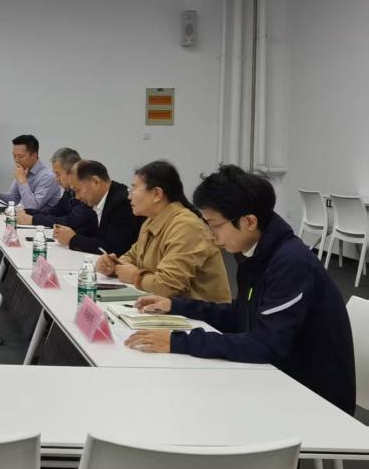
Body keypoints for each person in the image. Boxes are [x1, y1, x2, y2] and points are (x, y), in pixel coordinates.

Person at [125, 165, 356, 415]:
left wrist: (177, 342)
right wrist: (176, 306)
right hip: (275, 375)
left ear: (249, 222)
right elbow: (242, 315)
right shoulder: (256, 252)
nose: (211, 236)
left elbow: (266, 344)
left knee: (191, 407)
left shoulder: (291, 263)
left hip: (311, 396)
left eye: (215, 225)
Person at [95, 160, 230, 301]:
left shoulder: (186, 226)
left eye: (133, 190)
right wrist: (113, 265)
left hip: (198, 311)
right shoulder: (150, 221)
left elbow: (167, 287)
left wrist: (135, 276)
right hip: (164, 306)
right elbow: (133, 257)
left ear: (157, 194)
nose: (129, 197)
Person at [54, 159, 142, 256]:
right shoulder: (95, 200)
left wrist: (72, 239)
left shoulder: (123, 203)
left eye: (77, 190)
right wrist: (66, 233)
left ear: (95, 182)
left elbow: (114, 248)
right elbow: (90, 231)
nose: (77, 197)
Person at [17, 147, 96, 238]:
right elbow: (55, 212)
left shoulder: (85, 193)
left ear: (71, 172)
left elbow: (71, 222)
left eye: (58, 174)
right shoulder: (69, 191)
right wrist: (27, 212)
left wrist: (33, 220)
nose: (56, 179)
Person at [0, 134, 62, 213]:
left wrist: (22, 180)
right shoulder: (23, 171)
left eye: (20, 156)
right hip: (26, 218)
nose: (16, 160)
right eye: (14, 156)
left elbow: (32, 208)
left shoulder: (48, 177)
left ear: (34, 155)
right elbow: (13, 199)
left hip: (43, 220)